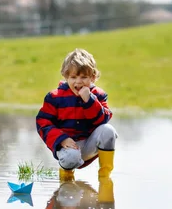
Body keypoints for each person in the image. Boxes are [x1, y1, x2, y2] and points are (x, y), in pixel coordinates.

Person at [35, 48, 118, 181]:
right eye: (73, 77)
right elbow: (43, 123)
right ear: (66, 77)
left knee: (109, 130)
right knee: (70, 158)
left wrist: (89, 100)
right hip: (67, 147)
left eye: (84, 77)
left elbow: (103, 120)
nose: (78, 82)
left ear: (93, 77)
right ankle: (66, 179)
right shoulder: (54, 97)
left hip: (89, 145)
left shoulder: (98, 95)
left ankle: (105, 177)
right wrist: (61, 139)